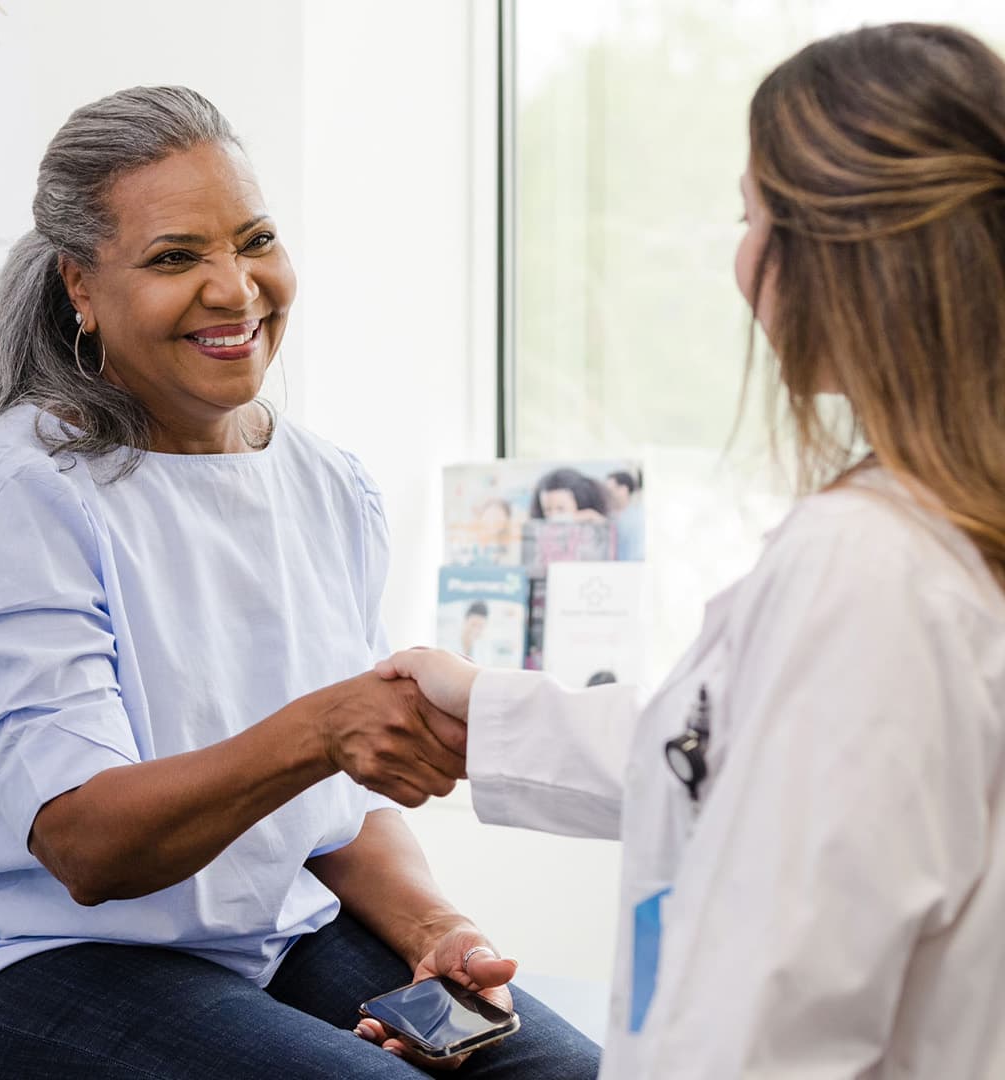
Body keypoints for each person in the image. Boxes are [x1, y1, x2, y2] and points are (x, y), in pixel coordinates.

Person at [0, 87, 600, 1079]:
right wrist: (322, 727)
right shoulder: (18, 492)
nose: (236, 289)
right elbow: (86, 846)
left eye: (255, 241)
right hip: (25, 953)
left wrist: (434, 927)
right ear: (80, 286)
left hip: (267, 934)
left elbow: (336, 810)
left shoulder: (328, 483)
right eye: (175, 258)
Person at [373, 23, 1005, 1078]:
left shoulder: (869, 569)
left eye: (752, 216)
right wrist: (484, 706)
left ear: (835, 253)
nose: (742, 257)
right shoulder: (940, 523)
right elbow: (733, 755)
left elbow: (768, 1019)